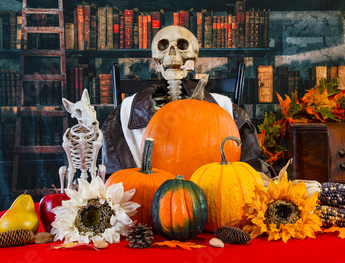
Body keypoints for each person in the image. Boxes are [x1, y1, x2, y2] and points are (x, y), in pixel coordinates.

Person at [101, 26, 274, 178]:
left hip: (211, 195)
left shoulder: (227, 111)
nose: (172, 53)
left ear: (194, 57)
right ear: (156, 60)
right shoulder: (123, 116)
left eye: (182, 46)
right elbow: (113, 180)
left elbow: (253, 172)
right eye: (164, 47)